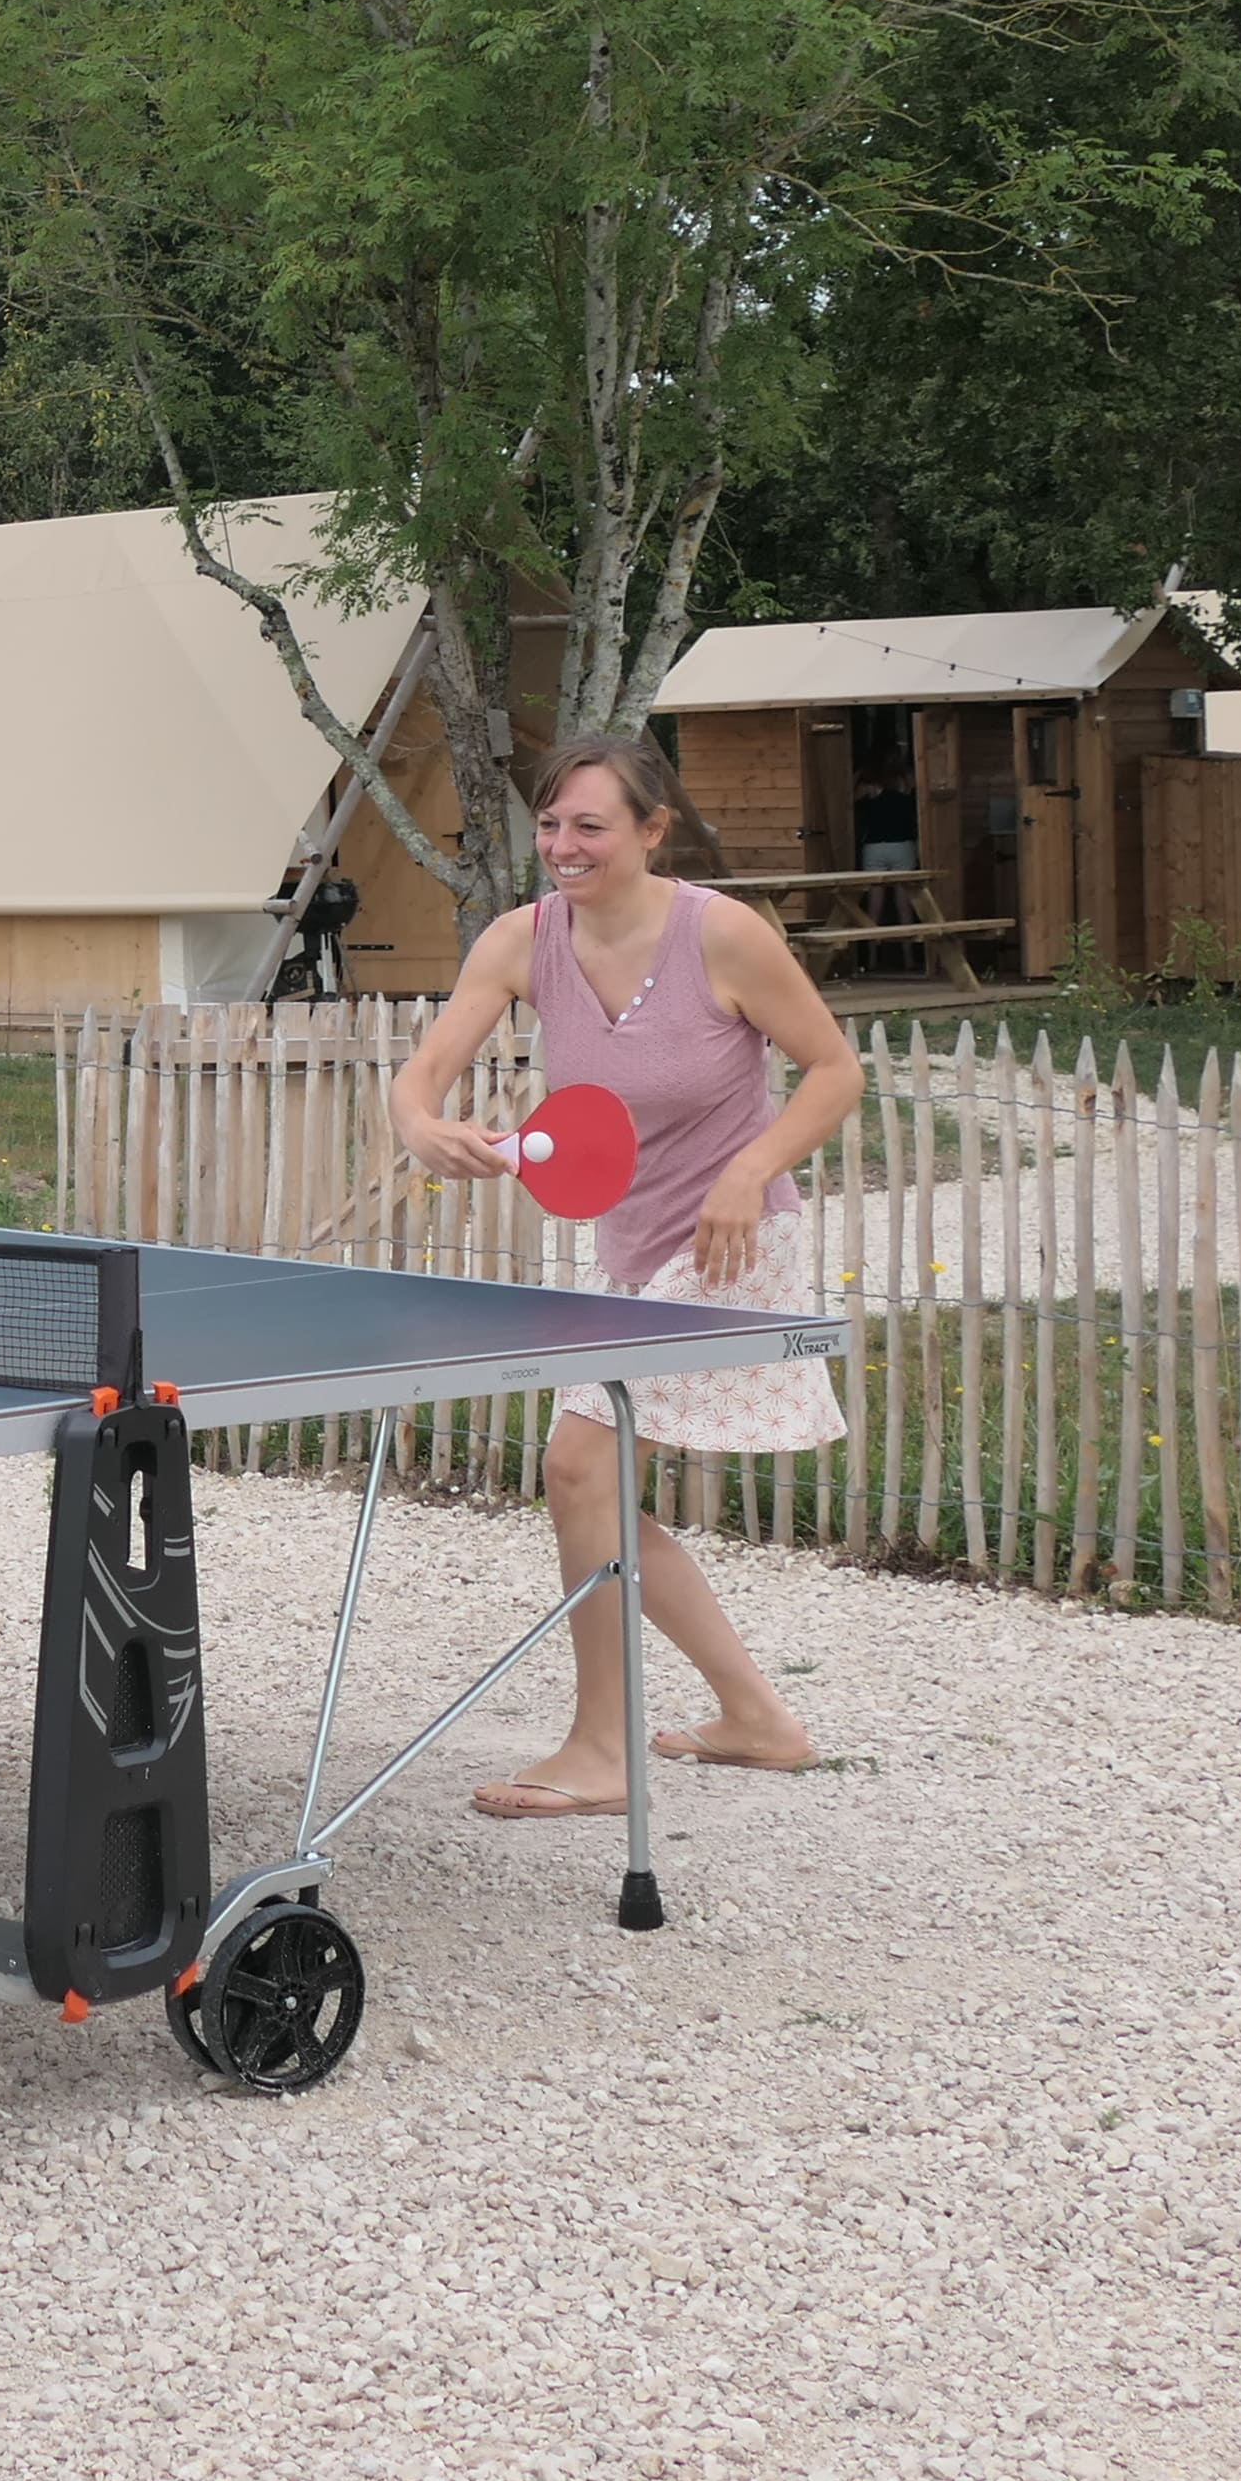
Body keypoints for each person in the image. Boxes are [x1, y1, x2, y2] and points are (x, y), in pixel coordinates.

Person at [391, 737, 859, 1816]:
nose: (563, 845)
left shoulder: (721, 935)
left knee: (578, 1471)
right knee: (593, 1488)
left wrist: (751, 1168)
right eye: (551, 824)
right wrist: (423, 1126)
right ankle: (757, 1719)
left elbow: (836, 1072)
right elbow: (422, 1077)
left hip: (734, 1245)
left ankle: (604, 1748)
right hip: (633, 1251)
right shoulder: (523, 939)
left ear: (652, 831)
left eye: (590, 826)